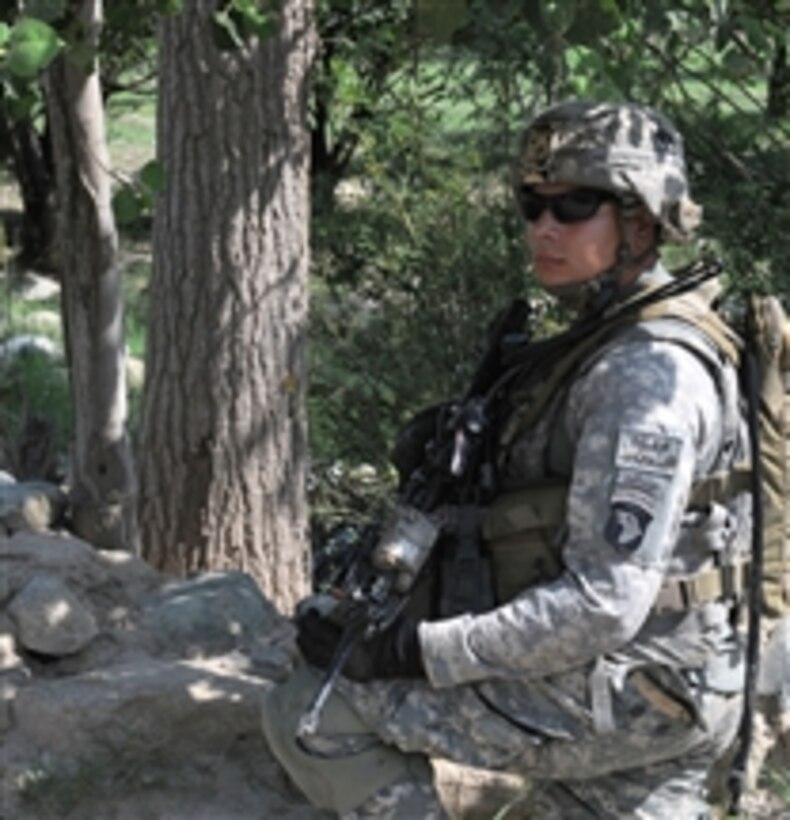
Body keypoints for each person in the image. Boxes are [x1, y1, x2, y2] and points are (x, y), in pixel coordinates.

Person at [261, 100, 752, 819]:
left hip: (635, 690)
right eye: (532, 205)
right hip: (678, 684)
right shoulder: (615, 338)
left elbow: (603, 603)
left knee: (317, 708)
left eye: (574, 206)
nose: (543, 228)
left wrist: (413, 650)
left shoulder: (642, 378)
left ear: (641, 223)